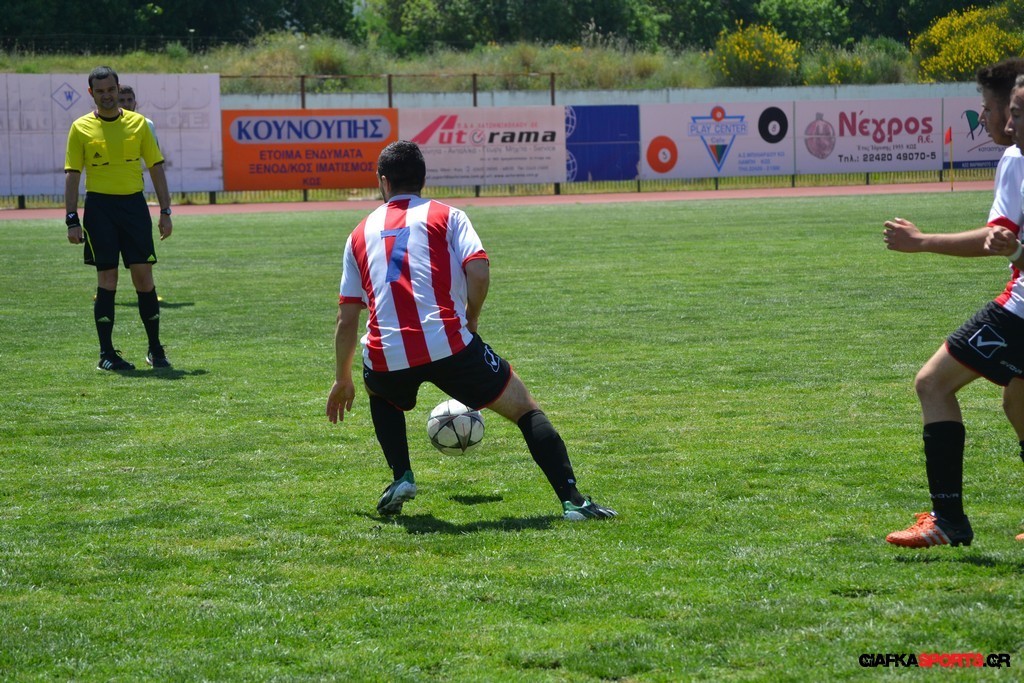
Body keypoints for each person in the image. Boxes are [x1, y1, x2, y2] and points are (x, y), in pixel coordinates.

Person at [326, 140, 617, 521]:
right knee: (525, 409)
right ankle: (573, 501)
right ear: (423, 179)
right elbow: (478, 271)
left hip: (386, 354)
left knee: (379, 390)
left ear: (383, 181)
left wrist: (342, 378)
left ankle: (402, 475)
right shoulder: (448, 216)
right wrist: (471, 317)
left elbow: (347, 318)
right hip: (449, 344)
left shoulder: (358, 234)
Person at [882, 58, 1024, 547]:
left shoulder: (1017, 159)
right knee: (1018, 399)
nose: (990, 120)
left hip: (1020, 309)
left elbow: (994, 238)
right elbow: (1004, 241)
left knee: (933, 383)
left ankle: (947, 521)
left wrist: (922, 242)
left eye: (993, 108)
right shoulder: (1016, 157)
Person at [64, 66, 173, 371]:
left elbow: (156, 168)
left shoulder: (139, 124)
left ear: (117, 87)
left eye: (111, 89)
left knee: (144, 278)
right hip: (99, 210)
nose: (107, 96)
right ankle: (107, 354)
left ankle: (155, 350)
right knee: (107, 280)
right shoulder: (80, 127)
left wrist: (165, 211)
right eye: (100, 91)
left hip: (134, 208)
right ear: (91, 93)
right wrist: (72, 219)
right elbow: (73, 173)